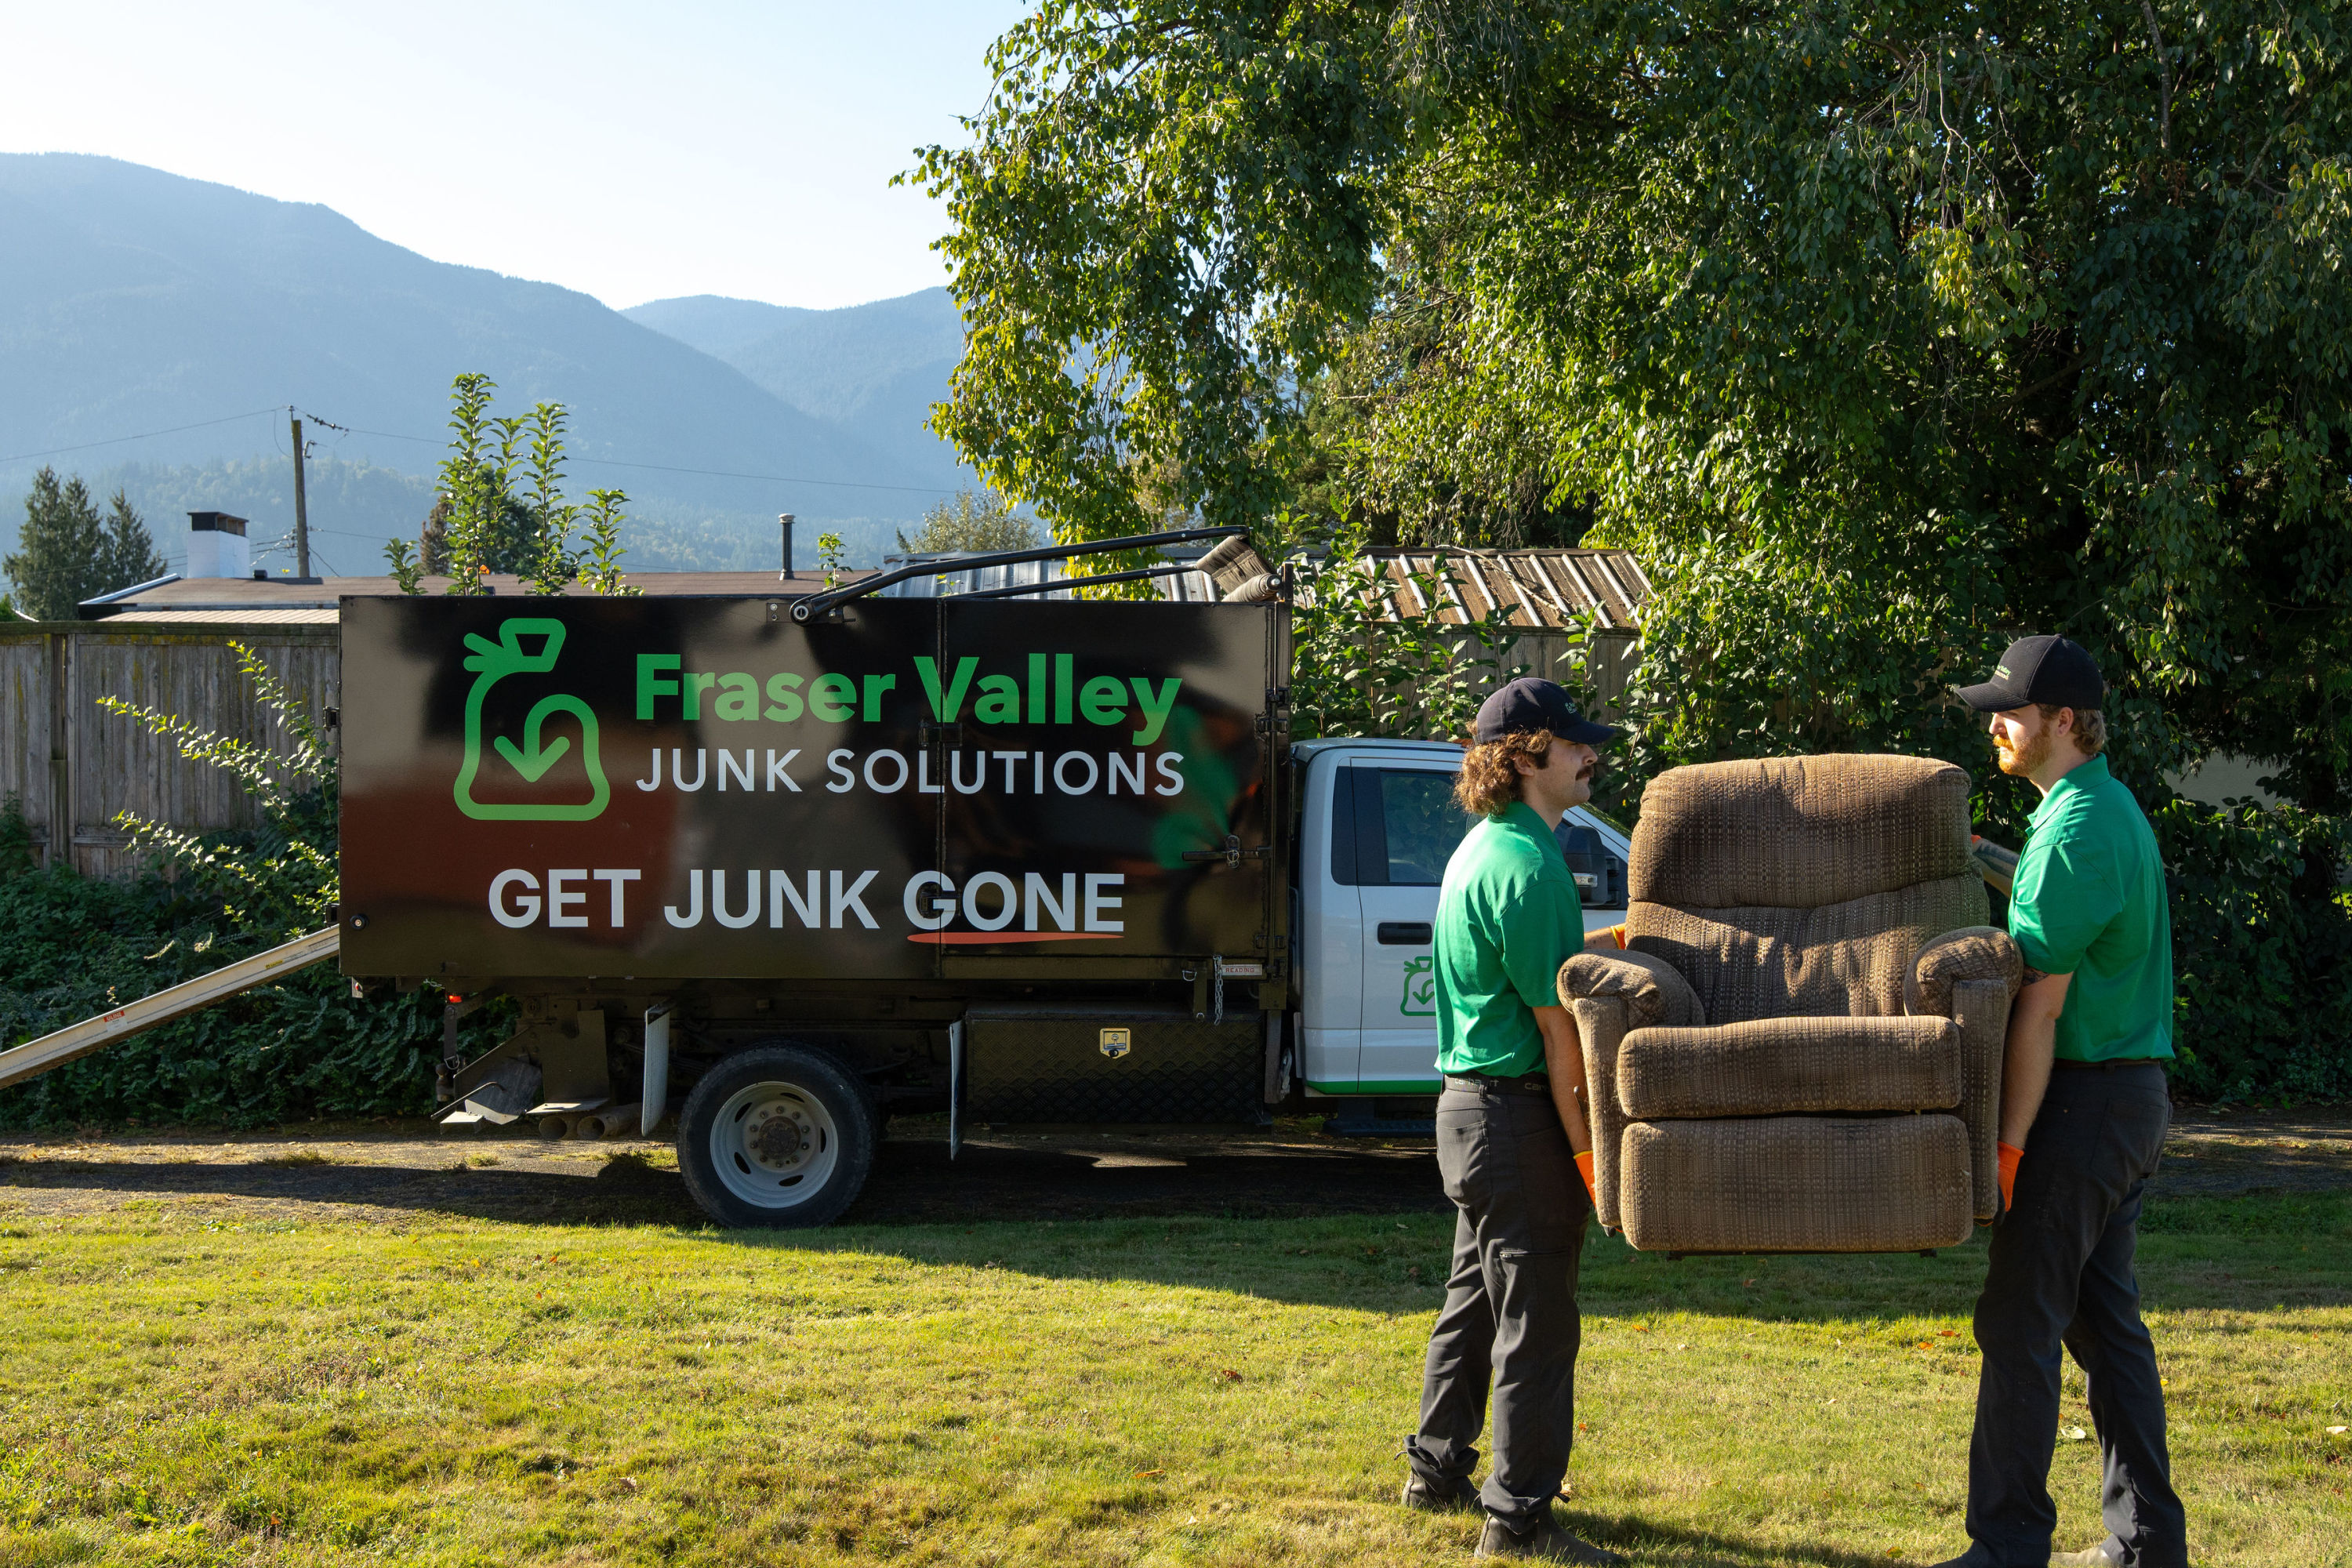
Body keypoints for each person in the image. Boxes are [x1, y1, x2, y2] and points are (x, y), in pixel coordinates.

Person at [1934, 634, 2187, 1568]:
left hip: (2078, 1105)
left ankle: (2006, 1546)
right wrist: (1980, 851)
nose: (1995, 723)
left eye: (2010, 709)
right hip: (2124, 1099)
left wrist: (2004, 1147)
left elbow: (2038, 1008)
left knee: (2019, 1319)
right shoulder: (2097, 808)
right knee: (2100, 1319)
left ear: (2065, 721)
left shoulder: (2076, 830)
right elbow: (2050, 890)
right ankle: (2150, 1539)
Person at [1401, 677, 1626, 1565]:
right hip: (1517, 1119)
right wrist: (1590, 1155)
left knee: (1473, 1300)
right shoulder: (1533, 866)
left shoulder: (1482, 849)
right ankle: (1520, 1517)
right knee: (1537, 1320)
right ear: (1527, 754)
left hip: (1466, 1111)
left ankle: (1435, 1468)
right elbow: (1559, 1034)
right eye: (1574, 743)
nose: (1589, 755)